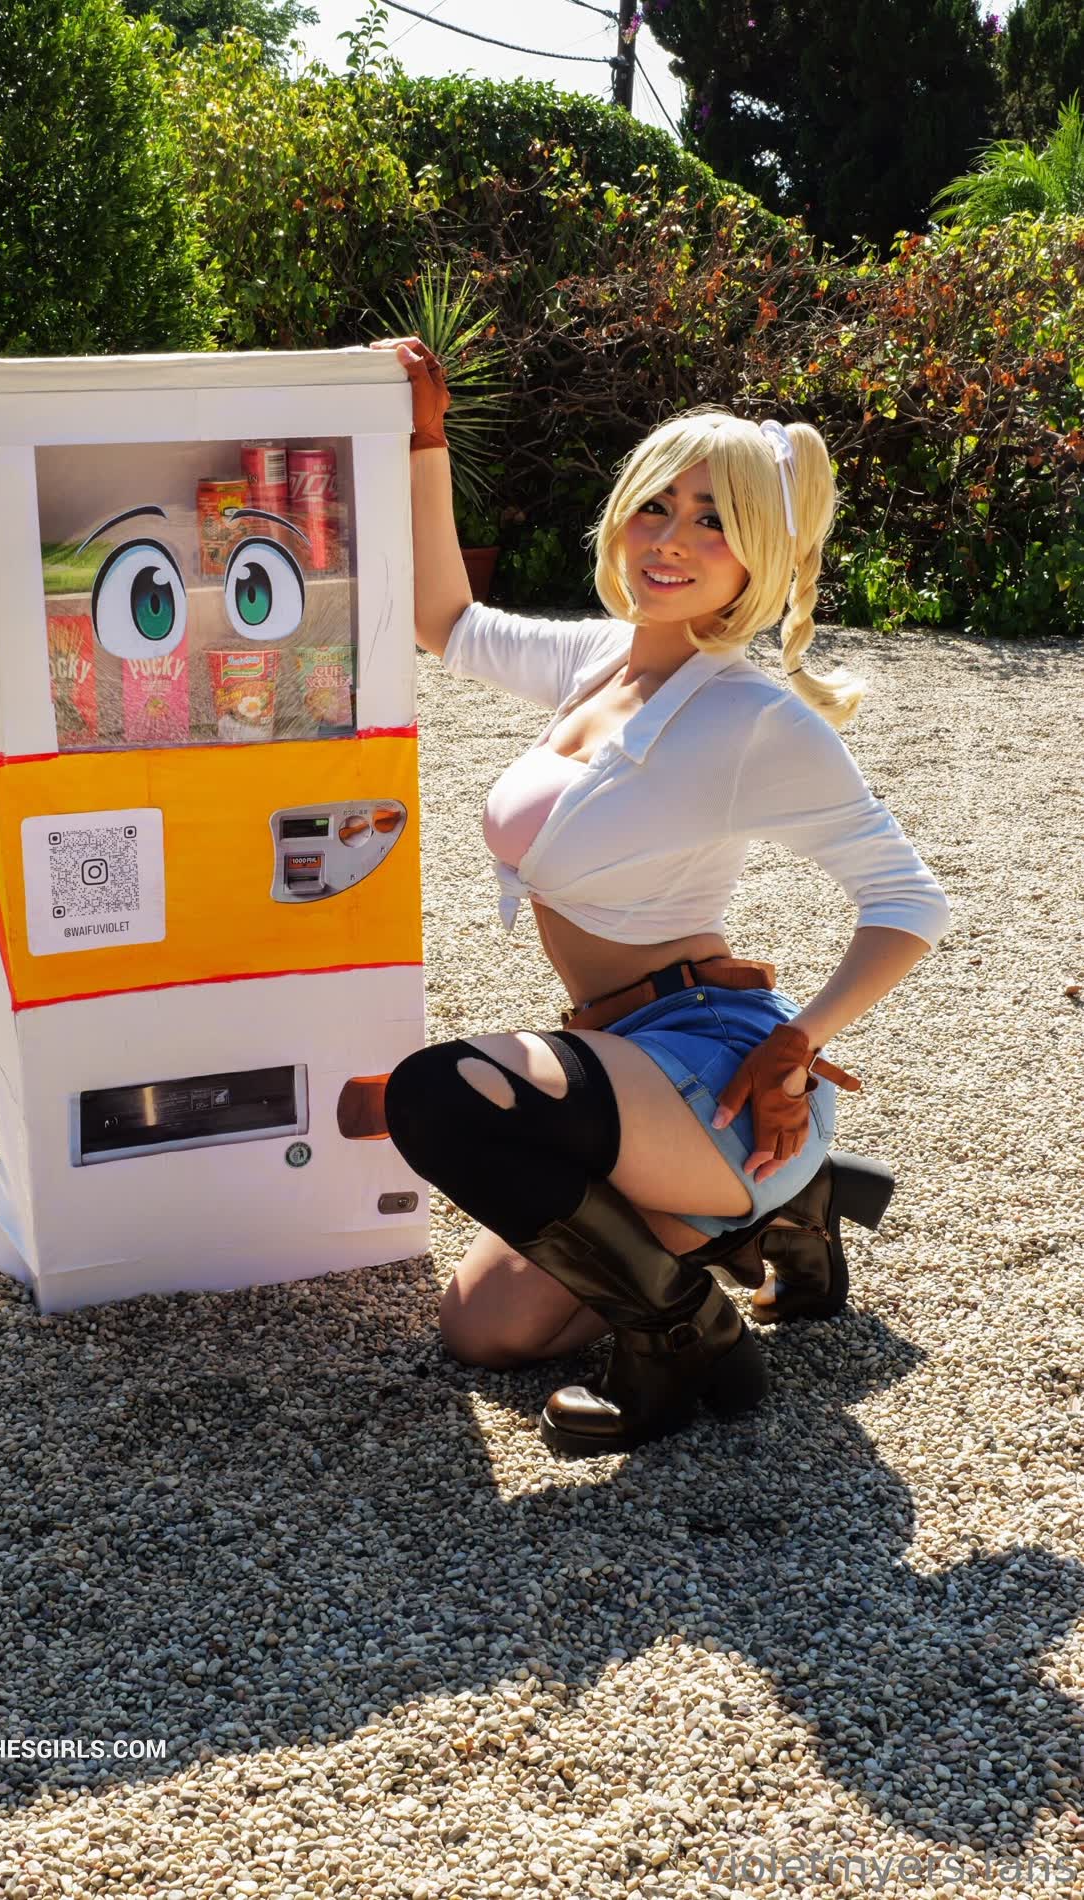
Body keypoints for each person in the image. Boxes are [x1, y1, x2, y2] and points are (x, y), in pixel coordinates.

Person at [373, 338, 950, 1459]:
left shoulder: (750, 716)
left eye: (713, 522)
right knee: (482, 1333)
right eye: (656, 506)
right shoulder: (598, 662)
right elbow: (443, 618)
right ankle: (792, 1210)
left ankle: (680, 1338)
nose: (672, 540)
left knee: (446, 1095)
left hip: (708, 1073)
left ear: (757, 556)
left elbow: (908, 900)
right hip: (623, 1061)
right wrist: (423, 439)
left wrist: (796, 1041)